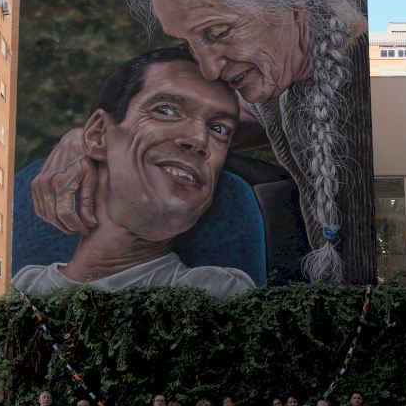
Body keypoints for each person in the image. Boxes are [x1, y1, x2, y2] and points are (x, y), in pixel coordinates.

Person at [34, 0, 370, 284]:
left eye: (219, 32)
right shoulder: (281, 80)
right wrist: (89, 140)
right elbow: (205, 129)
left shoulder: (360, 94)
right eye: (188, 44)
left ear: (294, 4)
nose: (209, 69)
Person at [13, 47, 255, 298]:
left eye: (219, 129)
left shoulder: (218, 293)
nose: (199, 139)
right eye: (166, 110)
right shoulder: (23, 286)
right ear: (98, 134)